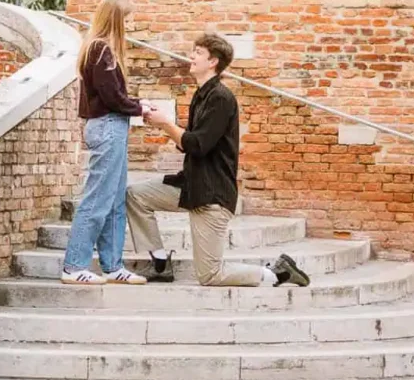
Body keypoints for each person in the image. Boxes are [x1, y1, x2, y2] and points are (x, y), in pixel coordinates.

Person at [128, 32, 310, 289]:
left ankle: (278, 273)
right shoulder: (200, 95)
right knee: (136, 195)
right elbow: (187, 144)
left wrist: (167, 124)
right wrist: (165, 126)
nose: (191, 56)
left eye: (198, 53)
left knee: (210, 275)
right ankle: (159, 262)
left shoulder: (221, 98)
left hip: (212, 196)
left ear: (213, 62)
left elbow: (198, 145)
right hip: (191, 186)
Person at [61, 0, 149, 285]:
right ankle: (74, 266)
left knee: (114, 200)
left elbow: (113, 96)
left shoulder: (99, 50)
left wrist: (137, 104)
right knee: (98, 199)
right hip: (108, 126)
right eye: (127, 19)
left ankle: (113, 266)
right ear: (116, 20)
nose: (131, 25)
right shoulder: (101, 50)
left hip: (113, 126)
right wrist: (141, 108)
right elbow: (112, 98)